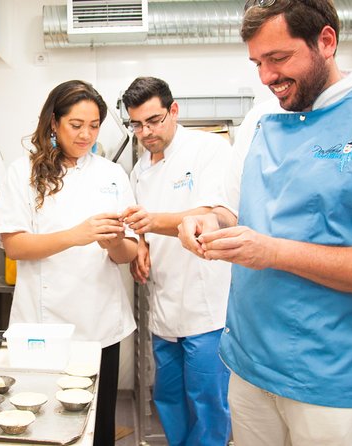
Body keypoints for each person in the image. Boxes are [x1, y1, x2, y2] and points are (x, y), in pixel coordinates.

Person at [178, 1, 352, 445]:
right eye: (257, 62)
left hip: (331, 377)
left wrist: (274, 252)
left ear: (326, 41)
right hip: (248, 361)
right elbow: (228, 210)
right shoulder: (260, 121)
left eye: (278, 59)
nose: (266, 77)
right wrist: (202, 218)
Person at [0, 80, 137, 445]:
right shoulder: (22, 172)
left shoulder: (112, 175)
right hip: (44, 325)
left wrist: (116, 242)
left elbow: (130, 253)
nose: (86, 134)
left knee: (100, 425)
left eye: (94, 125)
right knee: (44, 420)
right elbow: (15, 246)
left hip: (101, 321)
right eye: (76, 124)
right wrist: (78, 234)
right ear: (53, 122)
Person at [120, 77, 232, 446]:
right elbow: (142, 223)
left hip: (205, 306)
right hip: (164, 305)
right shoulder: (139, 169)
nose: (146, 132)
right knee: (167, 397)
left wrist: (151, 222)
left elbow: (213, 213)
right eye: (136, 124)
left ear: (174, 111)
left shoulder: (208, 149)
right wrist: (141, 245)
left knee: (207, 401)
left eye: (154, 120)